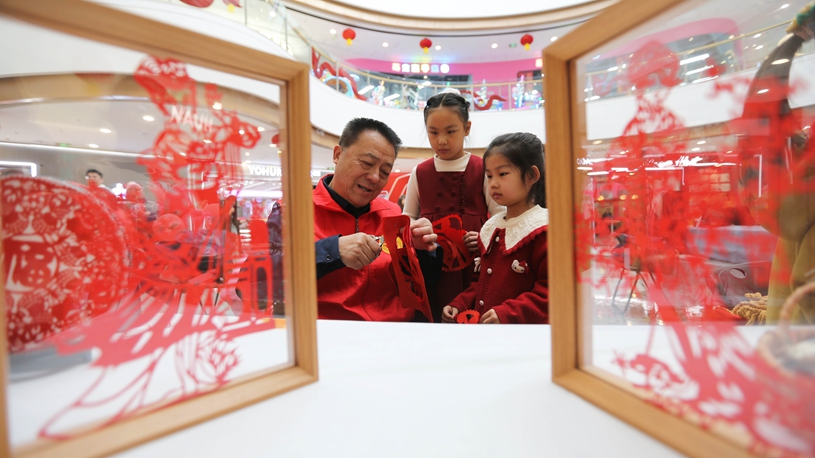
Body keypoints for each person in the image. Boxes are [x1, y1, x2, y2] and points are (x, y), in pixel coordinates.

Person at [271, 117, 441, 321]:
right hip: (324, 332)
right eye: (367, 163)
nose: (375, 177)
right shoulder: (292, 211)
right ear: (337, 155)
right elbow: (256, 284)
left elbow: (420, 284)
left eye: (384, 171)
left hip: (394, 331)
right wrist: (333, 251)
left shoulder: (392, 213)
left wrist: (422, 251)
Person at [402, 91, 503, 322]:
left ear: (466, 128)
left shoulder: (482, 168)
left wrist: (483, 237)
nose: (441, 141)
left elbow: (500, 215)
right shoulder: (420, 172)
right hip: (430, 264)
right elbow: (408, 217)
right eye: (433, 132)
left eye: (450, 131)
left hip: (474, 263)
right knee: (432, 315)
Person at [442, 132, 549, 324]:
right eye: (489, 176)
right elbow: (481, 282)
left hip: (524, 336)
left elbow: (551, 291)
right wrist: (460, 303)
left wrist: (509, 312)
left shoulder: (543, 229)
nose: (493, 184)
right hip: (488, 333)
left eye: (503, 174)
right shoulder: (491, 227)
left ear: (532, 175)